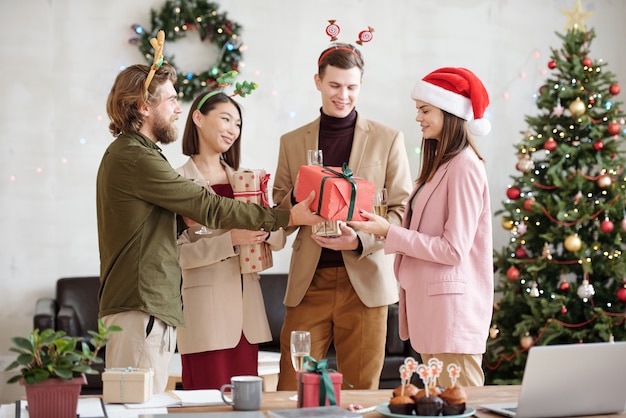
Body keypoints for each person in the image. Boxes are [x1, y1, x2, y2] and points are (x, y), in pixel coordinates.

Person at [97, 59, 323, 393]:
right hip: (140, 306)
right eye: (171, 99)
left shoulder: (139, 154)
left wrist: (177, 220)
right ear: (144, 106)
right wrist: (288, 217)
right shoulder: (135, 156)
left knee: (142, 406)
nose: (178, 108)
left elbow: (150, 227)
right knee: (135, 408)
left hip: (150, 307)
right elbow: (208, 207)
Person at [272, 42, 413, 390]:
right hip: (309, 284)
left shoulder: (388, 139)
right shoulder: (291, 142)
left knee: (360, 391)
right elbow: (276, 208)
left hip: (364, 283)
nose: (343, 95)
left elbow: (401, 211)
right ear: (317, 82)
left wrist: (360, 238)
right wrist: (296, 211)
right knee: (291, 389)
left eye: (351, 87)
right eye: (334, 85)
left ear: (361, 85)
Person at [349, 67, 495, 387]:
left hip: (451, 316)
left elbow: (453, 249)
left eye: (425, 110)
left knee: (462, 405)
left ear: (450, 113)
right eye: (419, 110)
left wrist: (390, 233)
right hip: (433, 315)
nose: (418, 118)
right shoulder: (441, 165)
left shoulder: (465, 167)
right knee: (440, 404)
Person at [174, 90, 286, 389]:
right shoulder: (176, 183)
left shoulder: (247, 181)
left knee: (245, 405)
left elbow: (279, 237)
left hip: (246, 319)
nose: (232, 130)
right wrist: (231, 240)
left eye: (237, 124)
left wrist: (266, 230)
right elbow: (175, 253)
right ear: (198, 118)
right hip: (203, 317)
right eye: (225, 119)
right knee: (206, 405)